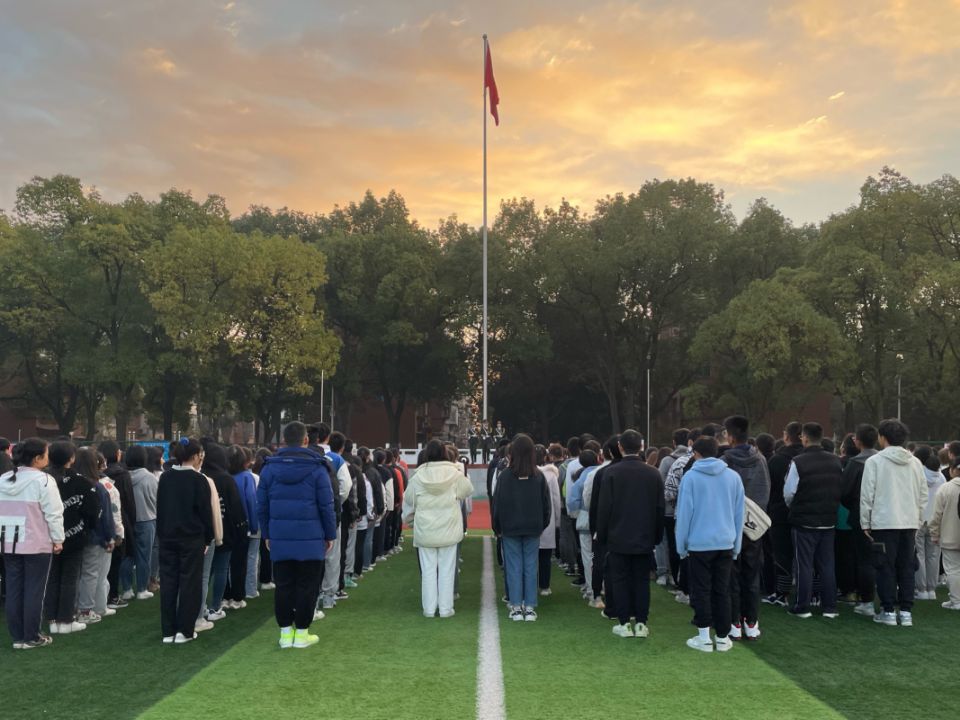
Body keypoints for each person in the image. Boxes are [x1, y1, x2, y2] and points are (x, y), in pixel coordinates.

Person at [257, 421, 337, 649]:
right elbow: (327, 506)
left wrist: (267, 533)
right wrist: (330, 534)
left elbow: (262, 505)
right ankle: (301, 633)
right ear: (306, 440)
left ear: (284, 440)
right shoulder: (318, 468)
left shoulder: (269, 469)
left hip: (280, 536)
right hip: (311, 538)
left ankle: (285, 634)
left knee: (283, 585)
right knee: (307, 586)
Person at [675, 436, 744, 652]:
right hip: (725, 542)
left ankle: (704, 636)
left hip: (699, 544)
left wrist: (681, 546)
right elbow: (739, 515)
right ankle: (722, 637)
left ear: (696, 453)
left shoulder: (690, 478)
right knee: (722, 590)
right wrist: (737, 545)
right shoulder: (733, 477)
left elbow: (684, 514)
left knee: (701, 590)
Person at [596, 429, 665, 639]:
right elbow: (659, 508)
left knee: (620, 580)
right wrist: (657, 535)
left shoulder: (611, 473)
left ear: (620, 447)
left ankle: (624, 622)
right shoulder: (653, 473)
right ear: (642, 447)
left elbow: (604, 508)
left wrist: (602, 535)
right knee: (642, 581)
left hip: (618, 535)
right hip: (644, 536)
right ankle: (641, 623)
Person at [860, 419, 928, 627]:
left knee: (885, 567)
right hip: (909, 522)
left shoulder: (874, 462)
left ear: (882, 438)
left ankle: (888, 610)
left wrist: (865, 521)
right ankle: (905, 612)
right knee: (906, 567)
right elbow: (923, 495)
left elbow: (867, 495)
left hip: (884, 522)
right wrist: (918, 519)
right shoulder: (915, 463)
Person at [1, 438, 64, 649]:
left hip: (8, 541)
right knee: (34, 590)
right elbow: (54, 513)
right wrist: (58, 539)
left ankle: (18, 636)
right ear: (37, 458)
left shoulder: (4, 479)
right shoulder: (44, 480)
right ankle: (32, 636)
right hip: (36, 542)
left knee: (13, 589)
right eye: (46, 454)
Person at [402, 439, 473, 618]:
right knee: (447, 571)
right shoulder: (455, 473)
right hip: (449, 528)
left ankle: (429, 609)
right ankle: (445, 609)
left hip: (425, 529)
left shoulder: (418, 476)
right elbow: (467, 490)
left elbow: (409, 499)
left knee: (428, 572)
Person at [156, 437, 214, 644]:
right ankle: (185, 631)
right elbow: (205, 512)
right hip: (192, 539)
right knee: (190, 583)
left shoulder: (165, 477)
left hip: (167, 538)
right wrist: (208, 538)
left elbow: (160, 509)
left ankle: (168, 631)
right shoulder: (199, 480)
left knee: (169, 583)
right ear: (196, 456)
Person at [783, 422, 843, 619]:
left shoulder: (798, 461)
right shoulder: (836, 461)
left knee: (804, 565)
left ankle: (802, 606)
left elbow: (789, 492)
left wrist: (796, 507)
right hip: (828, 519)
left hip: (804, 520)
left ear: (805, 438)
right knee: (827, 565)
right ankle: (830, 607)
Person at [492, 433, 551, 622]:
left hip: (510, 528)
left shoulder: (505, 476)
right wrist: (542, 524)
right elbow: (546, 505)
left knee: (514, 567)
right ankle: (530, 606)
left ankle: (516, 606)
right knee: (531, 566)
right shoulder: (538, 476)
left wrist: (497, 527)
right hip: (533, 527)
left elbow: (497, 504)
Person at [721, 416, 770, 639]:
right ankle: (751, 621)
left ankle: (734, 622)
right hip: (754, 525)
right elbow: (765, 491)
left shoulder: (725, 461)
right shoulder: (760, 459)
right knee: (751, 574)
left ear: (730, 436)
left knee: (732, 574)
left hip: (730, 524)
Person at [44, 441, 98, 635]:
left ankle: (52, 620)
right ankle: (66, 620)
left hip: (47, 537)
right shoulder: (82, 482)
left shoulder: (44, 480)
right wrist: (85, 528)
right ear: (71, 458)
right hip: (74, 537)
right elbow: (93, 511)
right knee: (69, 579)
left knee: (52, 578)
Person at [202, 443, 248, 618]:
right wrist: (242, 527)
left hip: (204, 532)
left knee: (205, 573)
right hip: (225, 530)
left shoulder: (200, 476)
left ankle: (200, 608)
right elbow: (235, 507)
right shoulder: (226, 479)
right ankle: (216, 606)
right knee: (221, 569)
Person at [840, 424, 880, 616]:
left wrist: (855, 507)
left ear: (858, 440)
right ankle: (889, 603)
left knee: (864, 559)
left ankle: (867, 600)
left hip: (861, 515)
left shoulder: (856, 463)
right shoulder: (882, 461)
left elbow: (845, 492)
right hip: (884, 515)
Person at [764, 422, 804, 608]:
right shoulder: (808, 457)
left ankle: (782, 592)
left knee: (782, 555)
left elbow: (769, 488)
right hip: (805, 513)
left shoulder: (777, 460)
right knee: (807, 556)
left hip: (780, 513)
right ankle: (811, 593)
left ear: (786, 436)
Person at [75, 448, 116, 625]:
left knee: (76, 574)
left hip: (72, 536)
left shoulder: (67, 483)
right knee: (91, 573)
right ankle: (85, 610)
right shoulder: (97, 487)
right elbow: (106, 516)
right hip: (94, 536)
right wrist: (110, 537)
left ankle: (74, 608)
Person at [99, 441, 136, 608]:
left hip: (100, 523)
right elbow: (128, 500)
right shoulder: (122, 474)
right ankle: (112, 595)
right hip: (119, 519)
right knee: (115, 561)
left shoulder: (97, 476)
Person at [227, 445, 259, 603]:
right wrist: (254, 526)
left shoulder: (225, 476)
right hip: (243, 525)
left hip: (226, 524)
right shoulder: (247, 477)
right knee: (242, 562)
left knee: (226, 562)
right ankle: (240, 594)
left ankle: (226, 595)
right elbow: (251, 501)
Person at [126, 446, 159, 599]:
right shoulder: (150, 477)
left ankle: (127, 589)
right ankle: (141, 589)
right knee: (144, 556)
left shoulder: (123, 476)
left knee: (127, 556)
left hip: (128, 521)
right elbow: (157, 499)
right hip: (147, 520)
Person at [913, 445, 944, 600]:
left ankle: (921, 589)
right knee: (933, 556)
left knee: (919, 554)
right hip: (935, 520)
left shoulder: (916, 474)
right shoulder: (942, 477)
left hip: (919, 519)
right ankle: (931, 590)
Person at [931, 459, 960, 609]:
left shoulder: (945, 489)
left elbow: (937, 514)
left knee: (953, 569)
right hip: (951, 536)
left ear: (952, 470)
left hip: (950, 536)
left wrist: (934, 533)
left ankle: (956, 600)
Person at [537, 445, 562, 596]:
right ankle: (545, 586)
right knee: (545, 556)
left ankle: (530, 585)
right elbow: (556, 499)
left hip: (531, 521)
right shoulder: (551, 475)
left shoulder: (527, 472)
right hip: (548, 519)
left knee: (530, 556)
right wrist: (557, 521)